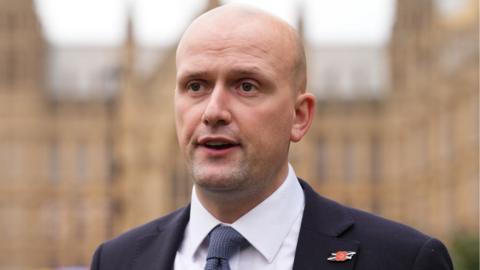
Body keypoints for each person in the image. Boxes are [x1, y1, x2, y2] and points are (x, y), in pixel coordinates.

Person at [90, 4, 453, 270]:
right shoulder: (114, 262)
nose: (213, 111)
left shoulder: (404, 261)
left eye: (246, 85)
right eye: (195, 85)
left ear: (299, 116)